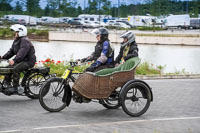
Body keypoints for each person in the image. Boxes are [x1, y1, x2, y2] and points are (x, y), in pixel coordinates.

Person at [0, 24, 36, 93]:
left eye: (16, 32)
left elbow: (22, 52)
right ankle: (7, 83)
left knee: (16, 69)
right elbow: (11, 51)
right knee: (8, 67)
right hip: (22, 60)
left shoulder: (25, 41)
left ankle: (15, 87)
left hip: (28, 61)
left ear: (21, 32)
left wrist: (14, 60)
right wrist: (3, 57)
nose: (14, 33)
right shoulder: (17, 40)